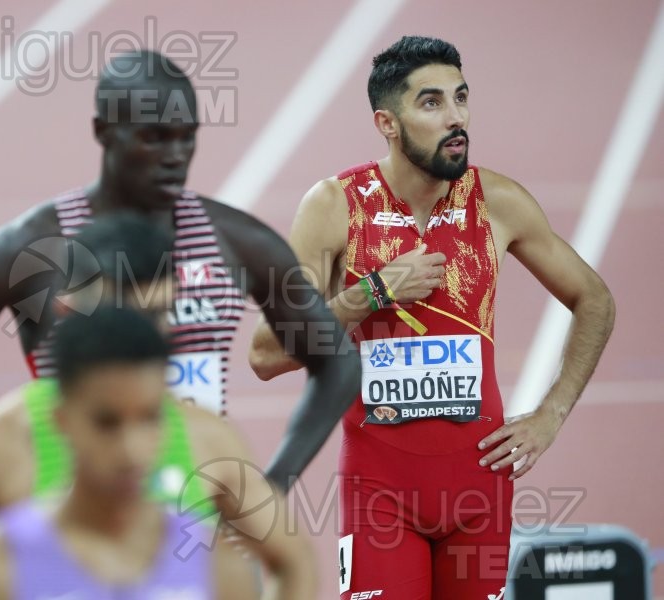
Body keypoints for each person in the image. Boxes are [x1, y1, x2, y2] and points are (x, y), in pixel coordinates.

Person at [0, 49, 360, 492]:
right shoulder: (36, 251)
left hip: (193, 532)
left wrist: (275, 484)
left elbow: (336, 362)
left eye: (186, 138)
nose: (175, 157)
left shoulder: (236, 243)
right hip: (73, 535)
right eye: (154, 138)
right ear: (103, 132)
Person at [249, 36, 615, 599]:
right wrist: (367, 293)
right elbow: (266, 355)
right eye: (431, 103)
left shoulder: (498, 202)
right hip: (380, 493)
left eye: (461, 98)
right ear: (387, 123)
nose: (456, 118)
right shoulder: (335, 207)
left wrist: (551, 414)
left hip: (479, 494)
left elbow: (595, 299)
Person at [0, 306, 316, 600]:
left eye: (149, 418)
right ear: (63, 422)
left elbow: (296, 562)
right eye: (106, 422)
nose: (132, 450)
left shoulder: (216, 574)